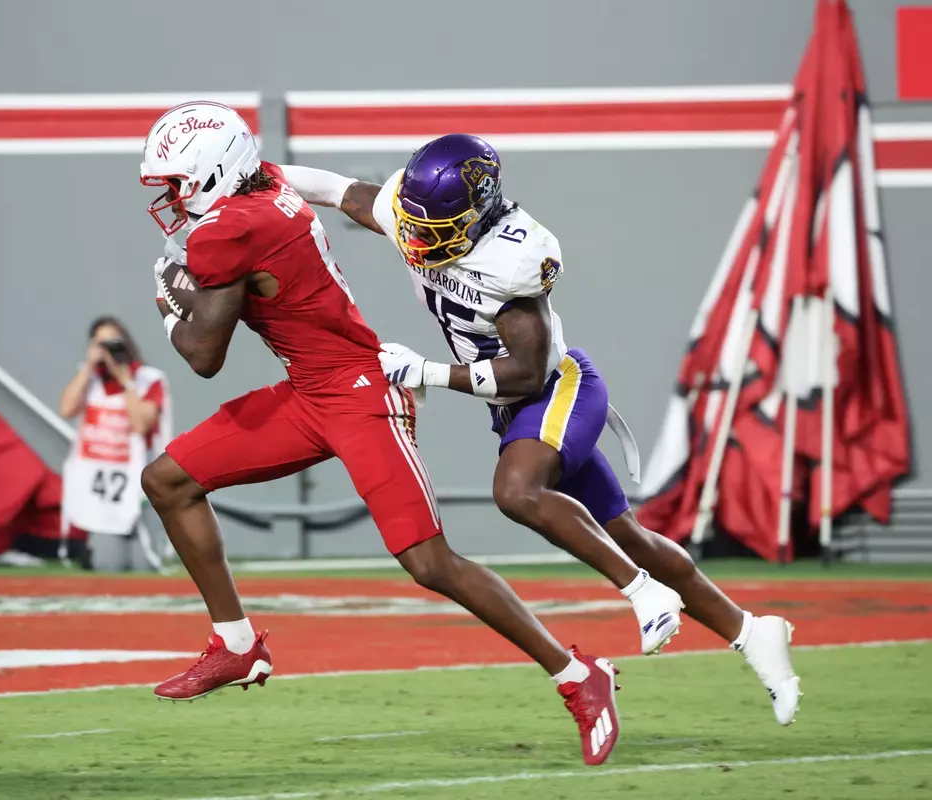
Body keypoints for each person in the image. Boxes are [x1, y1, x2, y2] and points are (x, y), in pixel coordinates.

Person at [135, 102, 664, 767]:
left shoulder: (231, 231)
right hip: (309, 390)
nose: (173, 198)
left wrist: (168, 302)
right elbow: (310, 187)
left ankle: (576, 675)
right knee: (169, 479)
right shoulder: (263, 184)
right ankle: (237, 644)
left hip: (360, 395)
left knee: (429, 562)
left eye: (178, 182)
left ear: (215, 174)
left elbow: (201, 355)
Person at [280, 133, 802, 726]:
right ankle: (753, 631)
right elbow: (331, 189)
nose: (417, 237)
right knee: (629, 534)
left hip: (557, 390)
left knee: (517, 492)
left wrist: (428, 371)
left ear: (478, 211)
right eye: (412, 222)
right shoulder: (417, 215)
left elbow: (526, 374)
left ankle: (643, 592)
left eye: (435, 225)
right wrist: (255, 172)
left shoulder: (514, 256)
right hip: (516, 405)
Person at [59, 316, 172, 572]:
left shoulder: (147, 380)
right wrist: (88, 367)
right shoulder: (92, 380)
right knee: (107, 565)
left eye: (113, 344)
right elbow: (66, 408)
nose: (108, 351)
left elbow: (142, 423)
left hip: (140, 487)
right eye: (101, 344)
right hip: (102, 493)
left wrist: (126, 381)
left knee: (145, 567)